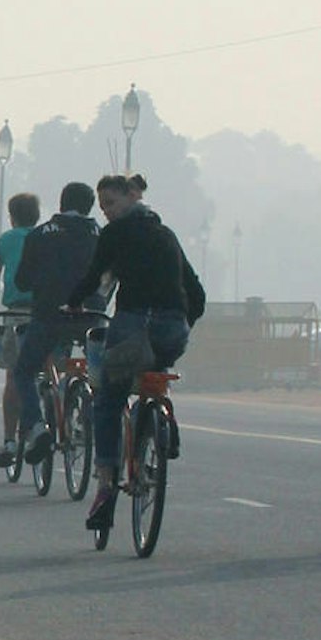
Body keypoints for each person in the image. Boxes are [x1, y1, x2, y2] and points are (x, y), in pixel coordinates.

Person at [65, 174, 206, 532]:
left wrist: (73, 303)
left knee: (109, 399)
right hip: (173, 331)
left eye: (110, 204)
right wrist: (180, 321)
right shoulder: (166, 234)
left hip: (132, 329)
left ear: (130, 197)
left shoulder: (115, 235)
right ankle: (164, 418)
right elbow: (196, 293)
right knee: (154, 371)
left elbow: (95, 276)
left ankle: (107, 482)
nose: (107, 212)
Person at [9, 182, 105, 463]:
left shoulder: (41, 235)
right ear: (90, 206)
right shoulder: (102, 236)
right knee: (103, 376)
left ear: (61, 204)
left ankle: (38, 428)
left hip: (50, 315)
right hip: (92, 316)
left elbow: (22, 281)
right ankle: (97, 426)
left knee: (24, 372)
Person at [0, 193, 42, 467]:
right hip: (46, 312)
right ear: (37, 215)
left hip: (16, 313)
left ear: (12, 216)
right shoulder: (46, 236)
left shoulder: (6, 240)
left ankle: (9, 440)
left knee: (13, 377)